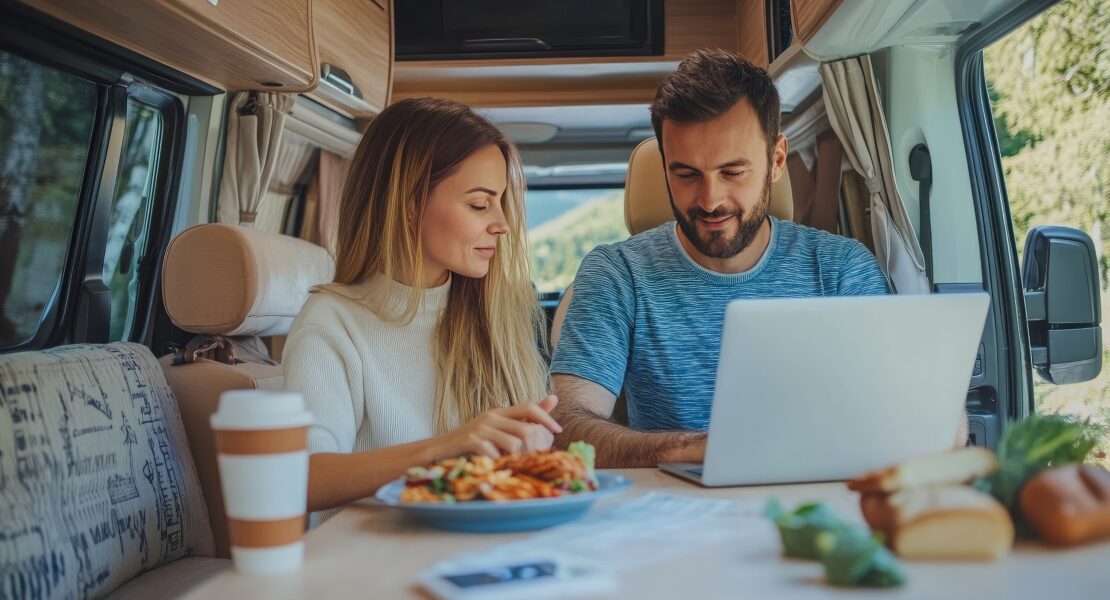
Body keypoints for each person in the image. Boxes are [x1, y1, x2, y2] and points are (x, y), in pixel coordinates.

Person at [548, 49, 954, 469]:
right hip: (671, 515)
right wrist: (697, 451)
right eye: (686, 174)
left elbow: (931, 422)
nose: (710, 200)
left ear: (775, 161)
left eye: (732, 172)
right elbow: (566, 429)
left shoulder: (841, 269)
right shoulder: (617, 274)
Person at [283, 97, 559, 523]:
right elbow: (302, 479)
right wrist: (444, 448)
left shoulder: (498, 316)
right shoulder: (331, 321)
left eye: (502, 202)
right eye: (480, 204)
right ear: (410, 204)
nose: (502, 224)